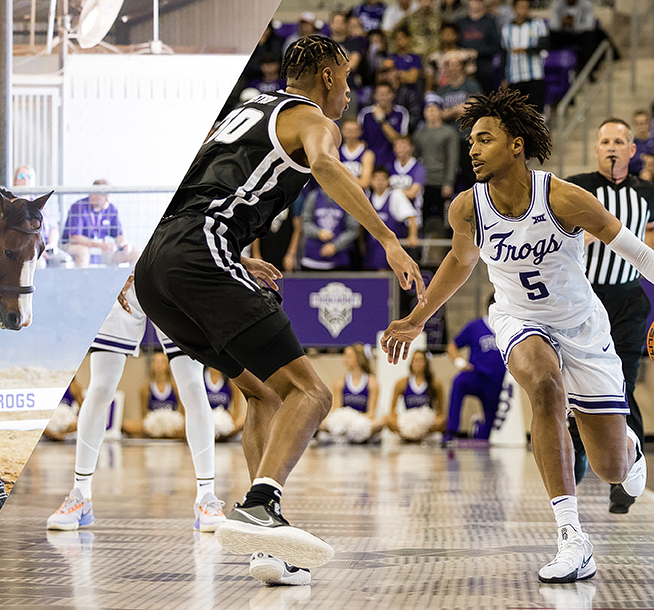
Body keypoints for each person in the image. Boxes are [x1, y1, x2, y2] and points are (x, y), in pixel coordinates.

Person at [381, 88, 654, 583]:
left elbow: (641, 255)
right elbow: (460, 261)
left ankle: (625, 446)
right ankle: (572, 538)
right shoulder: (467, 208)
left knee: (609, 469)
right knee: (543, 385)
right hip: (519, 319)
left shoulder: (564, 198)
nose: (474, 149)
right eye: (471, 140)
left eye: (486, 139)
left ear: (517, 144)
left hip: (583, 326)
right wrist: (417, 318)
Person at [132, 35, 424, 587]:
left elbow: (196, 187)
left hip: (159, 263)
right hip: (200, 250)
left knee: (263, 392)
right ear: (329, 76)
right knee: (313, 393)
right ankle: (260, 504)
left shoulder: (245, 109)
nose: (348, 92)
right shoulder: (314, 119)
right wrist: (387, 238)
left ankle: (264, 543)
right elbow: (326, 166)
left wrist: (234, 252)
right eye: (345, 79)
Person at [46, 276, 226, 535]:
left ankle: (206, 498)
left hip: (171, 273)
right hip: (125, 279)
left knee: (193, 386)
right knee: (100, 388)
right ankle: (80, 495)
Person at [565, 118, 654, 446]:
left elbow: (652, 227)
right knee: (578, 391)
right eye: (605, 142)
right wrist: (589, 234)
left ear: (632, 150)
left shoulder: (647, 191)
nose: (611, 148)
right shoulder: (576, 188)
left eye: (618, 142)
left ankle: (626, 482)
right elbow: (557, 238)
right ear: (595, 150)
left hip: (628, 300)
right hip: (584, 301)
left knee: (623, 384)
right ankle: (574, 474)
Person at [446, 315, 507, 441]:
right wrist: (459, 361)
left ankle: (479, 429)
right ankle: (451, 430)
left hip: (496, 383)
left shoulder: (508, 327)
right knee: (459, 382)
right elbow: (452, 346)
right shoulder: (475, 326)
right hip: (477, 376)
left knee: (488, 435)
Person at [64, 179, 136, 267]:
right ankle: (82, 280)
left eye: (107, 195)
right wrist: (99, 245)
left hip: (101, 249)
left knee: (136, 253)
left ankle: (129, 280)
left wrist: (123, 243)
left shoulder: (111, 209)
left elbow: (118, 234)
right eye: (104, 195)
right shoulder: (79, 207)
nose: (107, 199)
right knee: (83, 252)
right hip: (79, 246)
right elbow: (75, 238)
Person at [322, 344, 385, 443]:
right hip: (344, 421)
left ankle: (351, 436)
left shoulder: (372, 382)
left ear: (359, 358)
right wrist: (347, 421)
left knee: (381, 422)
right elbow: (337, 409)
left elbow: (371, 413)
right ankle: (352, 436)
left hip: (363, 421)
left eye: (349, 356)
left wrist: (356, 420)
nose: (345, 359)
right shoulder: (339, 382)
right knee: (321, 423)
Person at [363, 168, 421, 271]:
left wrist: (413, 236)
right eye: (376, 179)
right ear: (371, 181)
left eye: (382, 179)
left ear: (388, 181)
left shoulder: (395, 195)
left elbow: (412, 217)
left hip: (392, 249)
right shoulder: (368, 198)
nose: (379, 182)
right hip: (373, 248)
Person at [385, 350, 447, 442]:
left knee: (443, 421)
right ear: (411, 362)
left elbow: (440, 411)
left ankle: (414, 436)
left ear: (426, 363)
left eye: (420, 360)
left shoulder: (435, 383)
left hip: (426, 420)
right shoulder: (401, 383)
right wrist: (398, 419)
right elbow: (392, 409)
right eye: (415, 360)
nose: (417, 363)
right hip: (409, 419)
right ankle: (410, 434)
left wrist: (434, 420)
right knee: (388, 419)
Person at [502, 0, 550, 110]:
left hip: (534, 76)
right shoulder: (506, 28)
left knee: (536, 113)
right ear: (514, 9)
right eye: (521, 7)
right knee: (516, 115)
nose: (524, 11)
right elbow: (504, 53)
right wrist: (503, 77)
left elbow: (545, 44)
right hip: (514, 77)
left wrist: (526, 50)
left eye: (526, 7)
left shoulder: (537, 24)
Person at [361, 86, 412, 169]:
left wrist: (382, 120)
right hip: (371, 161)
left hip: (393, 161)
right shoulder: (366, 114)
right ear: (375, 96)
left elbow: (399, 142)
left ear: (392, 95)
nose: (383, 97)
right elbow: (362, 142)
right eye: (380, 94)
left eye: (386, 94)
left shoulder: (401, 113)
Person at [204, 366, 247, 441]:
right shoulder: (200, 378)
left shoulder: (229, 380)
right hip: (205, 420)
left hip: (224, 421)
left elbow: (237, 410)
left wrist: (232, 429)